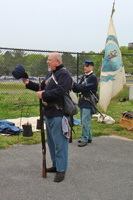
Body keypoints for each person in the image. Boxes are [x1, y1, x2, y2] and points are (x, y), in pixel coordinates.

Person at [22, 52, 72, 182]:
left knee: (60, 143)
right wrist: (28, 83)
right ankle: (56, 165)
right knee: (51, 143)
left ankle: (61, 170)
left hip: (58, 113)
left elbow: (60, 91)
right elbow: (41, 87)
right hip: (49, 113)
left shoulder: (64, 74)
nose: (47, 62)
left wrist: (43, 95)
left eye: (49, 60)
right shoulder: (50, 74)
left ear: (58, 62)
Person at [72, 59, 98, 147]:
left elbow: (83, 87)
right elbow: (78, 88)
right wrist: (72, 86)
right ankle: (89, 137)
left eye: (87, 66)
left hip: (89, 102)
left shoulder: (93, 78)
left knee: (85, 122)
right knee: (84, 121)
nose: (85, 68)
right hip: (83, 101)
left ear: (92, 67)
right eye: (85, 66)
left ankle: (84, 139)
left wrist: (75, 85)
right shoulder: (84, 77)